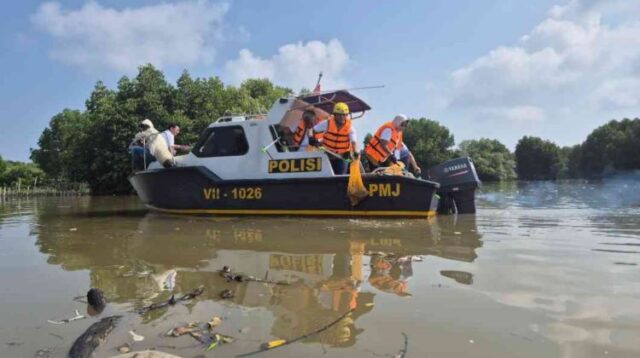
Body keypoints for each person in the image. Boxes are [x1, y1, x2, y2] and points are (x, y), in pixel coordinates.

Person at [311, 102, 359, 175]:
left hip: (342, 156)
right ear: (335, 114)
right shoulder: (327, 123)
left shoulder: (351, 128)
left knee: (341, 175)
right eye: (339, 114)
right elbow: (312, 130)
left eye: (344, 115)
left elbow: (354, 142)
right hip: (327, 153)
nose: (341, 117)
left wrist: (355, 152)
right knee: (326, 175)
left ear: (347, 115)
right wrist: (312, 138)